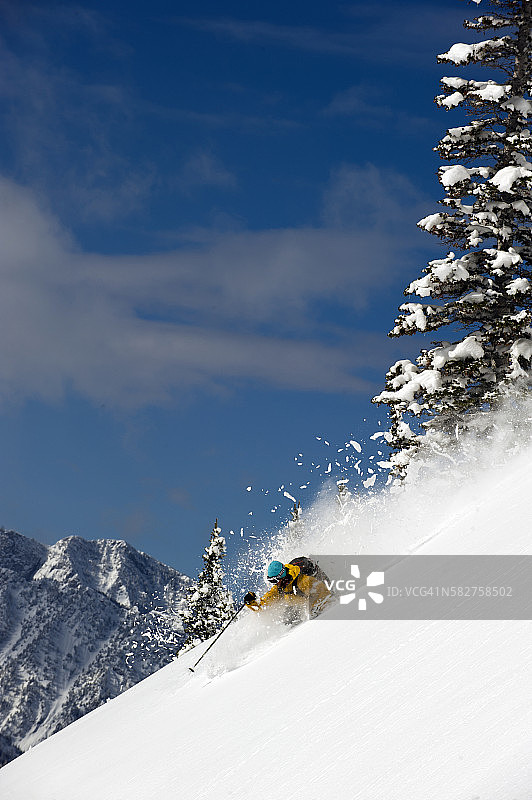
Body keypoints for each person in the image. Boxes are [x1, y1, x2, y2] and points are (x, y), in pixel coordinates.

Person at [244, 556, 333, 622]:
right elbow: (265, 604)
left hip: (316, 606)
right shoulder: (280, 587)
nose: (275, 584)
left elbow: (324, 593)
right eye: (271, 581)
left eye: (275, 581)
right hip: (299, 606)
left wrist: (315, 609)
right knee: (287, 620)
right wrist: (252, 602)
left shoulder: (303, 581)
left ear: (282, 576)